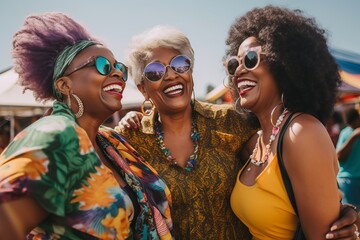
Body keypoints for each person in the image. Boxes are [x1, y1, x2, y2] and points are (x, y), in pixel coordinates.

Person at [117, 25, 360, 239]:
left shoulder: (232, 123)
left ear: (190, 73)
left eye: (180, 64)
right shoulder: (128, 141)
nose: (171, 75)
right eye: (155, 72)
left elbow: (287, 168)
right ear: (143, 88)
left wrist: (341, 210)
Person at [0, 12, 173, 239]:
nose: (117, 75)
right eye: (102, 65)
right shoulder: (55, 135)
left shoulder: (112, 141)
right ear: (64, 85)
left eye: (119, 68)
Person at [224, 6, 357, 239]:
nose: (239, 71)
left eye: (251, 59)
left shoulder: (301, 132)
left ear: (283, 63)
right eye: (233, 64)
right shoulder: (255, 141)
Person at [336, 107, 360, 209]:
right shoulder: (346, 133)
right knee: (352, 214)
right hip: (348, 181)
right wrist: (353, 137)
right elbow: (339, 156)